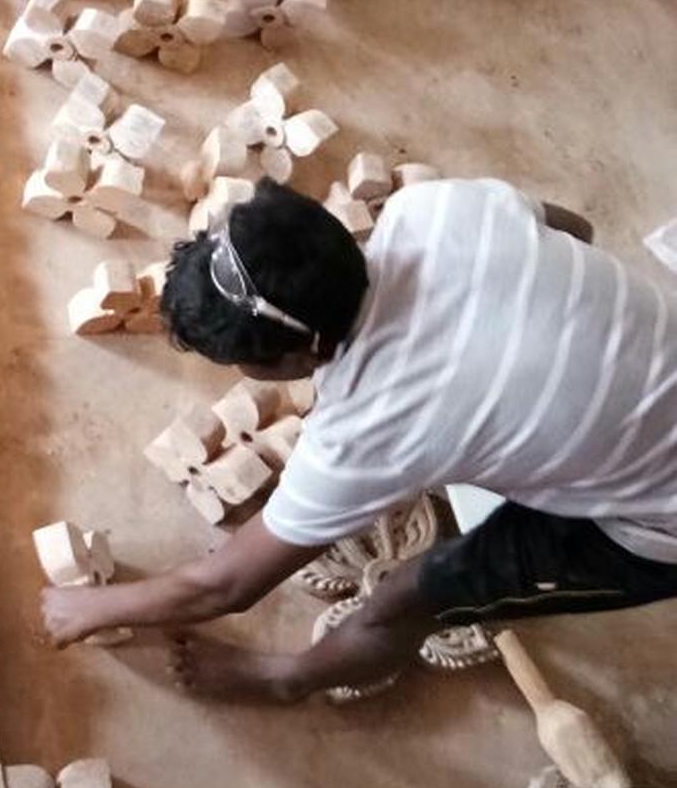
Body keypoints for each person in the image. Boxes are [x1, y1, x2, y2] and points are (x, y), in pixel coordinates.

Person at [38, 177, 677, 700]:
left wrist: (91, 608)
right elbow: (575, 230)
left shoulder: (369, 427)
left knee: (402, 600)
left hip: (657, 524)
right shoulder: (434, 210)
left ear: (299, 357)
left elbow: (226, 587)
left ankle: (286, 681)